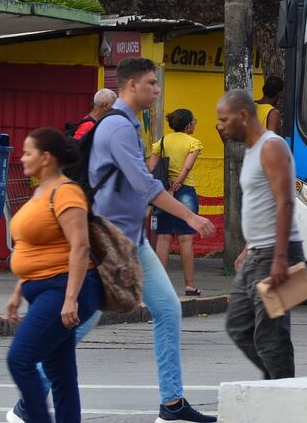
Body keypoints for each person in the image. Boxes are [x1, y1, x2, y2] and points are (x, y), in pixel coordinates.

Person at [89, 57, 217, 423]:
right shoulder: (118, 128)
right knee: (81, 319)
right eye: (151, 83)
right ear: (131, 86)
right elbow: (144, 184)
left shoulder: (132, 124)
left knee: (168, 309)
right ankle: (28, 401)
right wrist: (190, 216)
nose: (157, 90)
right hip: (112, 238)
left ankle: (172, 404)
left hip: (132, 238)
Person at [5, 128, 102, 423]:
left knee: (20, 359)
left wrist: (70, 299)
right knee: (61, 375)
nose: (22, 158)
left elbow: (80, 245)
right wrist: (19, 289)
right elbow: (37, 246)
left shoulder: (66, 192)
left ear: (46, 158)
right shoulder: (39, 192)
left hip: (64, 289)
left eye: (28, 152)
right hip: (43, 289)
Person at [216, 89, 304, 380]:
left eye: (224, 119)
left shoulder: (272, 147)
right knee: (240, 327)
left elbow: (285, 201)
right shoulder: (254, 150)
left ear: (243, 116)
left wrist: (279, 259)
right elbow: (261, 205)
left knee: (272, 335)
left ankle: (282, 398)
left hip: (277, 253)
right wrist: (247, 248)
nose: (220, 125)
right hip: (259, 252)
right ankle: (275, 389)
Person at [148, 109, 204, 296]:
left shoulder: (162, 142)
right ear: (188, 125)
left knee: (163, 238)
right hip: (185, 191)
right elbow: (187, 167)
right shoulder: (193, 143)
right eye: (194, 122)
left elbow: (151, 167)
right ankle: (189, 285)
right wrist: (178, 184)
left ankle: (161, 286)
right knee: (185, 238)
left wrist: (169, 187)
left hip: (163, 191)